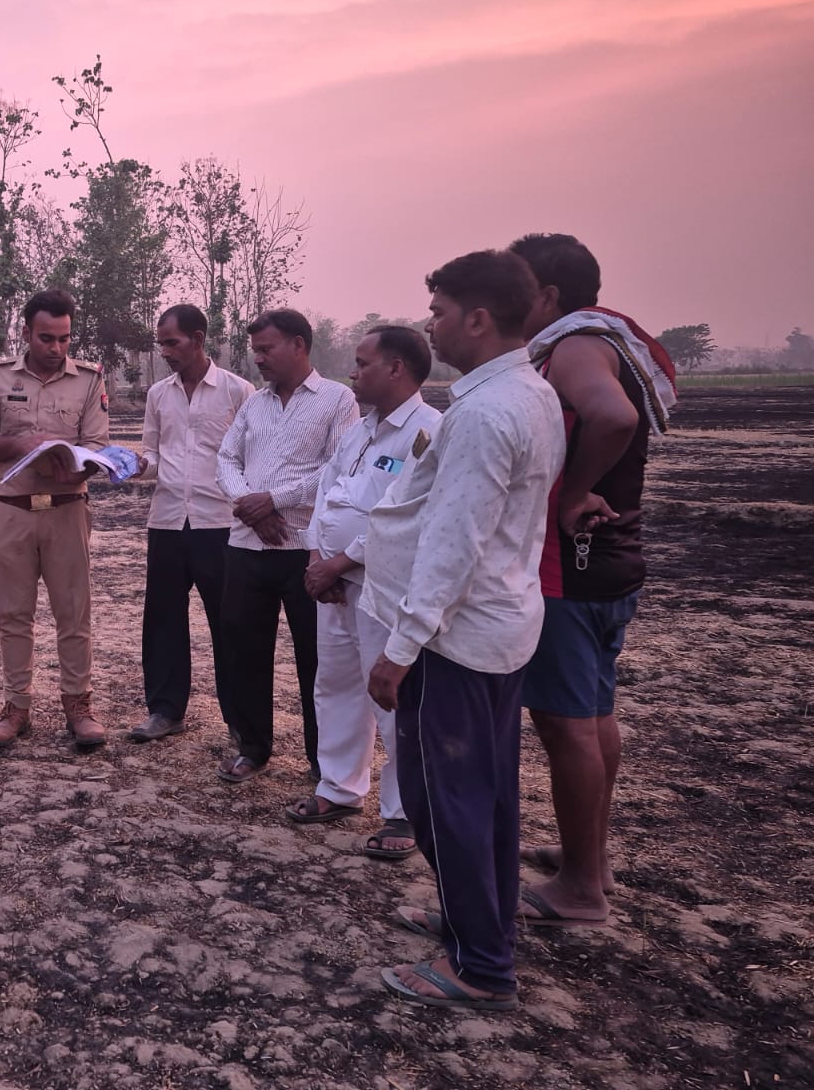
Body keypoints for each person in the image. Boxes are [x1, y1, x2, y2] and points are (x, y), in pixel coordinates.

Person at [364, 250, 565, 1012]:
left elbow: (454, 544)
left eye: (440, 313)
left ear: (478, 319)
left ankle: (480, 965)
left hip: (454, 638)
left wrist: (400, 647)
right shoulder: (528, 392)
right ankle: (477, 921)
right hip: (495, 628)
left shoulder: (483, 413)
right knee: (487, 794)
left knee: (445, 800)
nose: (430, 326)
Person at [512, 232, 676, 925]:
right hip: (609, 559)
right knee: (596, 713)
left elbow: (612, 416)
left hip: (571, 566)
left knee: (565, 723)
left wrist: (574, 491)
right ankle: (591, 857)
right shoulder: (612, 340)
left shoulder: (577, 345)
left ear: (548, 295)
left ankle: (580, 889)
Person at [289, 326, 441, 860]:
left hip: (384, 586)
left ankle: (403, 811)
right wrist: (317, 558)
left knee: (390, 696)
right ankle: (338, 788)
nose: (352, 373)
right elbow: (329, 494)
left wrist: (339, 561)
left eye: (362, 363)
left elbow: (403, 516)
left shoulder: (427, 432)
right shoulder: (360, 430)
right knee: (335, 685)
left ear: (396, 368)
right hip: (334, 584)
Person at [213, 308, 359, 783]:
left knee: (316, 658)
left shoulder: (338, 399)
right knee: (244, 649)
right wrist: (250, 506)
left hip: (305, 548)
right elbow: (226, 459)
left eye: (266, 349)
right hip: (246, 545)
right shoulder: (254, 404)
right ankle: (253, 747)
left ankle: (323, 761)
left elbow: (338, 469)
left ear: (298, 345)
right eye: (255, 350)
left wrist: (274, 500)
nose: (258, 358)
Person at [0, 289, 112, 750]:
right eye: (46, 338)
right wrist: (22, 444)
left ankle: (79, 706)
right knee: (14, 615)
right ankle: (16, 707)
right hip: (12, 511)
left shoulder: (88, 380)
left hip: (67, 510)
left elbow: (97, 443)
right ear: (26, 332)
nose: (56, 347)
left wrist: (81, 465)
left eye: (64, 339)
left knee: (74, 613)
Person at [128, 303, 254, 743]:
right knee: (162, 618)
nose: (164, 351)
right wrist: (136, 465)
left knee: (229, 622)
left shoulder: (238, 391)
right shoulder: (158, 394)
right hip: (166, 521)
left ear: (198, 340)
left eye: (172, 342)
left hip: (220, 522)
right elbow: (154, 454)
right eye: (160, 343)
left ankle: (240, 720)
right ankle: (165, 710)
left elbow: (250, 458)